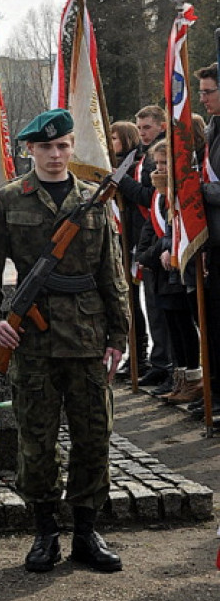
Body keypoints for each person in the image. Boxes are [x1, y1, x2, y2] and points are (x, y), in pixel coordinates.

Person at [0, 109, 129, 574]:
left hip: (87, 338)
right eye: (45, 147)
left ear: (72, 147)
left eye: (63, 146)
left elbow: (112, 273)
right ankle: (45, 534)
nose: (55, 155)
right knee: (36, 443)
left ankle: (86, 533)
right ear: (30, 150)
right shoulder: (8, 200)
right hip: (32, 342)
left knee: (93, 439)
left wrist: (119, 334)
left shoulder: (94, 201)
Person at [135, 140, 202, 405]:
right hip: (159, 269)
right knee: (172, 324)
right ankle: (180, 377)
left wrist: (161, 249)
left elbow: (177, 230)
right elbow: (149, 230)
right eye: (158, 163)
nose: (160, 168)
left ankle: (193, 378)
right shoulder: (159, 194)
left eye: (165, 163)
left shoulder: (180, 191)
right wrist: (145, 255)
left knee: (184, 326)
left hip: (176, 268)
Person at [116, 105, 173, 389]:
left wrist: (122, 181)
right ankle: (158, 361)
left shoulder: (157, 157)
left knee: (162, 308)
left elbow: (151, 196)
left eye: (147, 127)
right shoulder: (138, 156)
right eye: (139, 128)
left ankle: (167, 364)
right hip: (141, 236)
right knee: (150, 305)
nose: (142, 133)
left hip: (157, 238)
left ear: (162, 126)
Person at [109, 121, 149, 379]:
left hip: (133, 240)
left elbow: (143, 198)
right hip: (117, 241)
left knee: (134, 302)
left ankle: (140, 355)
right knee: (123, 302)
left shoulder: (136, 166)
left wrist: (120, 179)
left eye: (114, 138)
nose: (111, 142)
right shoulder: (110, 165)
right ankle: (131, 355)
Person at [193, 63, 220, 420]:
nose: (202, 99)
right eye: (200, 92)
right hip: (212, 242)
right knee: (212, 325)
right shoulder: (212, 130)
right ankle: (214, 389)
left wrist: (199, 190)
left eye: (208, 91)